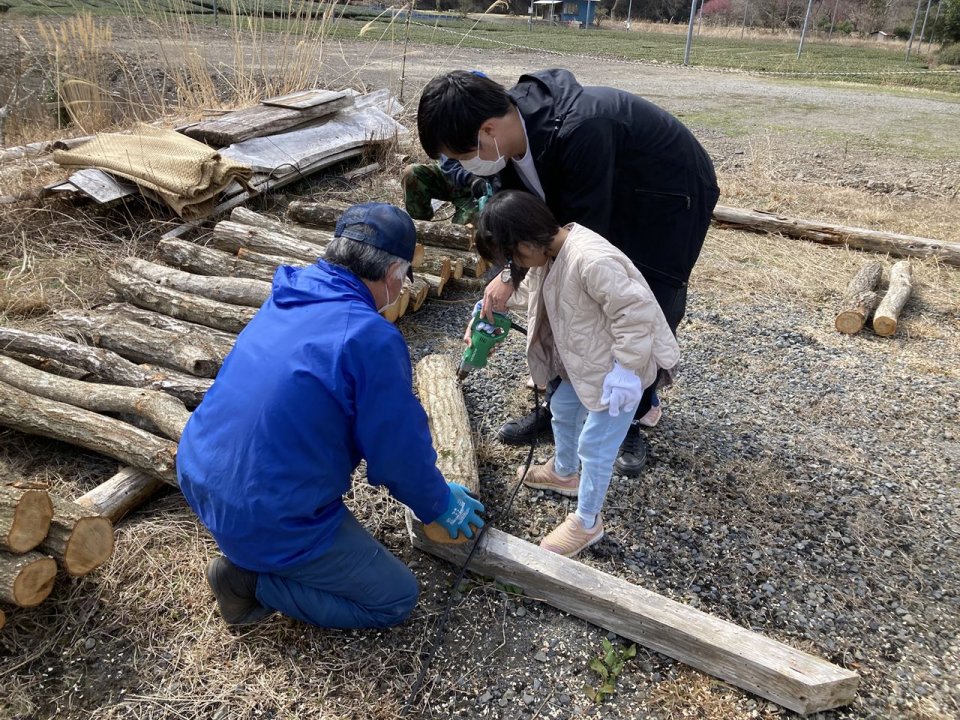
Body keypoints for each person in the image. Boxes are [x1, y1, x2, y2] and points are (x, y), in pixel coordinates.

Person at [176, 202, 485, 628]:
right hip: (264, 510)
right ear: (394, 275)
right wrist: (438, 503)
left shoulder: (291, 292)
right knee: (395, 598)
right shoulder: (369, 337)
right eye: (404, 280)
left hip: (199, 470)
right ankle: (246, 581)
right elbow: (396, 452)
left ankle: (256, 550)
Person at [417, 68, 719, 476]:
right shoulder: (510, 142)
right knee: (564, 297)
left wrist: (515, 278)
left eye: (459, 157)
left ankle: (630, 413)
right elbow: (530, 227)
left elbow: (580, 238)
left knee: (637, 297)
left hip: (665, 199)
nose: (462, 167)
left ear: (487, 131)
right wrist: (508, 277)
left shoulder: (581, 130)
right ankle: (567, 406)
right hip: (605, 197)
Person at [474, 190, 679, 557]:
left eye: (513, 256)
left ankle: (587, 523)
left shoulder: (591, 259)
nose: (516, 265)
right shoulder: (550, 252)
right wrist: (502, 299)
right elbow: (543, 294)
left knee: (596, 446)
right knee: (564, 411)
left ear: (525, 241)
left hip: (618, 373)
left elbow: (635, 314)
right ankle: (564, 472)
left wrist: (628, 371)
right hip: (585, 363)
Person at [401, 155, 493, 226]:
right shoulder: (457, 131)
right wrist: (469, 178)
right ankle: (421, 227)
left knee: (463, 232)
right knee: (413, 173)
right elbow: (446, 158)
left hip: (478, 190)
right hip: (452, 176)